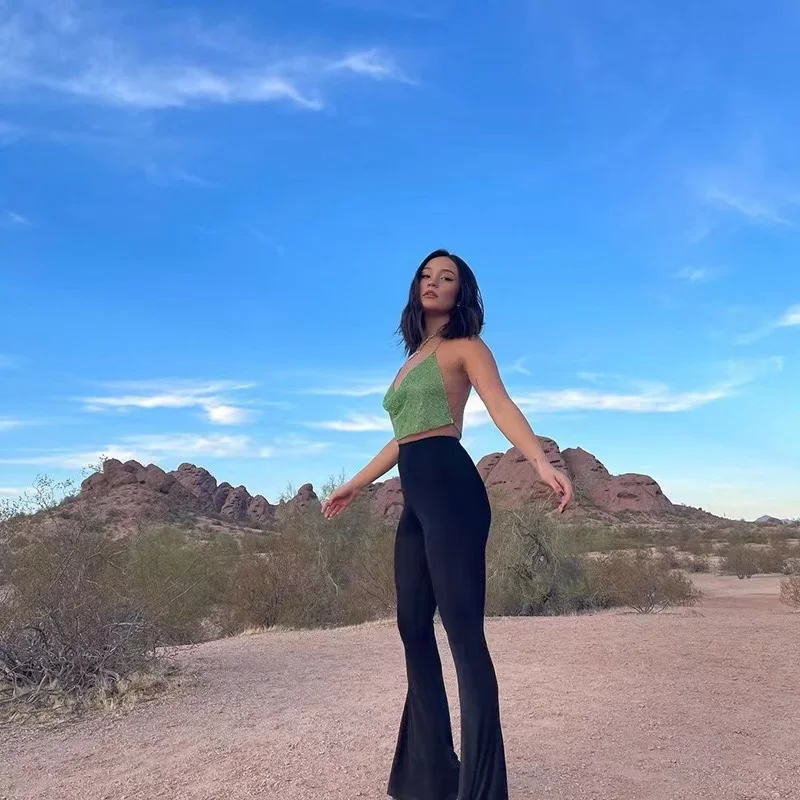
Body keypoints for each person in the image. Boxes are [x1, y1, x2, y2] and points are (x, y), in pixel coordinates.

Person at [320, 249, 574, 800]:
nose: (433, 283)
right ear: (416, 288)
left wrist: (539, 461)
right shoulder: (414, 357)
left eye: (447, 277)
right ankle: (431, 774)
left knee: (463, 637)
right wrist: (356, 483)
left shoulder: (466, 347)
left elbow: (500, 405)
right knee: (413, 626)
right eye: (426, 276)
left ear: (461, 292)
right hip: (418, 499)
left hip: (453, 494)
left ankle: (482, 789)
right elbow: (404, 438)